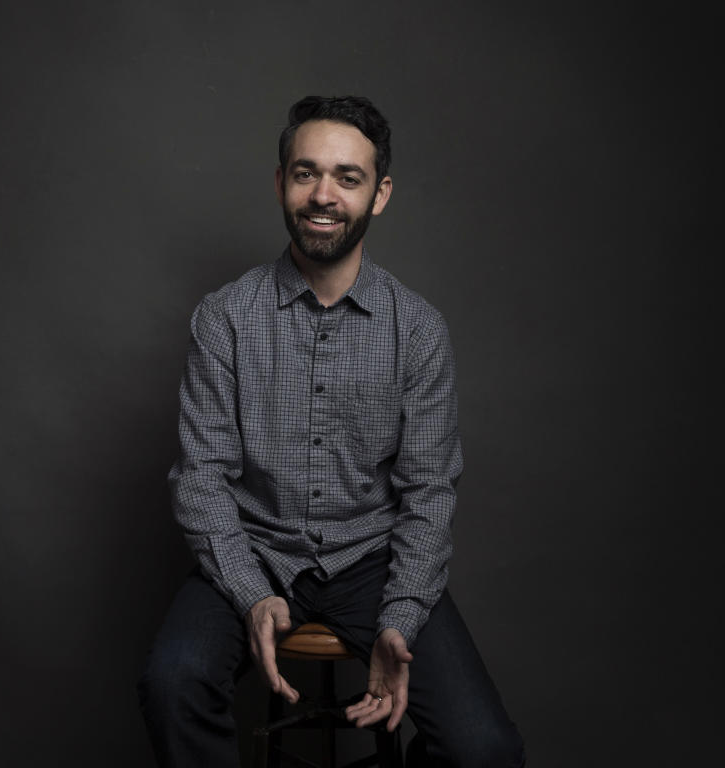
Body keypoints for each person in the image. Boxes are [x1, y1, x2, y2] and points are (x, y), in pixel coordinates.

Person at [138, 95, 525, 767]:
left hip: (370, 563)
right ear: (281, 182)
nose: (323, 194)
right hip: (252, 549)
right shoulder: (225, 319)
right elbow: (201, 479)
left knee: (485, 750)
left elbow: (429, 493)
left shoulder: (419, 330)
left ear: (379, 194)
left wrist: (400, 618)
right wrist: (252, 592)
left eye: (348, 177)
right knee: (171, 681)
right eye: (306, 172)